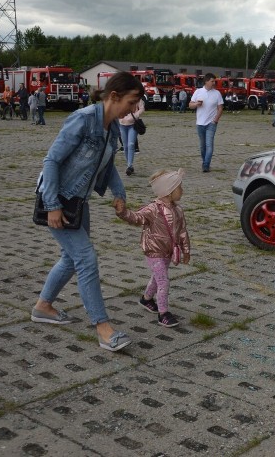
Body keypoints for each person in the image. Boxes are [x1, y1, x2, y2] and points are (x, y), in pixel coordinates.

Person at [30, 71, 145, 353]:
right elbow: (52, 160)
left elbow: (107, 165)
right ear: (114, 97)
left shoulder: (112, 127)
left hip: (78, 201)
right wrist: (52, 205)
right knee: (85, 257)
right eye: (131, 102)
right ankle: (103, 328)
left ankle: (43, 307)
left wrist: (119, 194)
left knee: (71, 258)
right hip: (58, 198)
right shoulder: (83, 119)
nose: (134, 110)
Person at [115, 168, 191, 328]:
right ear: (169, 191)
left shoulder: (178, 210)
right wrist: (123, 213)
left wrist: (186, 250)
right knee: (163, 281)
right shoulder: (153, 209)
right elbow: (136, 218)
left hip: (168, 252)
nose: (182, 190)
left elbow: (183, 231)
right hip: (153, 252)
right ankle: (163, 313)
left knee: (156, 278)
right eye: (179, 187)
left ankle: (146, 299)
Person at [189, 76, 223, 172]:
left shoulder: (217, 93)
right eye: (212, 81)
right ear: (206, 81)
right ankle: (204, 161)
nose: (214, 83)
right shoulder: (198, 92)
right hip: (200, 123)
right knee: (202, 146)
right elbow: (190, 105)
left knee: (209, 145)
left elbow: (220, 108)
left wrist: (215, 120)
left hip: (211, 124)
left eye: (214, 81)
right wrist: (196, 104)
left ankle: (206, 165)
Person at [118, 97, 144, 176]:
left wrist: (136, 115)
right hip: (122, 124)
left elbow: (142, 108)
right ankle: (129, 165)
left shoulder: (137, 97)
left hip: (133, 124)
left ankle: (129, 165)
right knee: (125, 146)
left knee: (131, 144)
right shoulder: (121, 96)